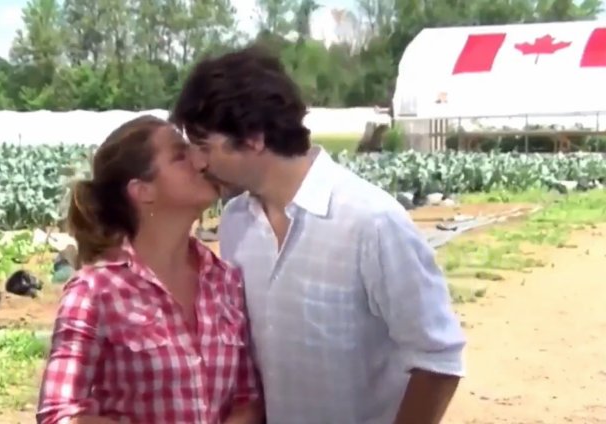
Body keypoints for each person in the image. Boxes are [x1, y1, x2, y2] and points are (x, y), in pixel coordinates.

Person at [170, 45, 466, 424]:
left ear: (254, 137)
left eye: (204, 147)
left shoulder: (370, 222)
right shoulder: (236, 222)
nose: (198, 163)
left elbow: (438, 357)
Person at [36, 115, 262, 424]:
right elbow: (58, 413)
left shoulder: (226, 282)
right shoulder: (95, 292)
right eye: (180, 156)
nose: (200, 161)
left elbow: (247, 399)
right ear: (143, 191)